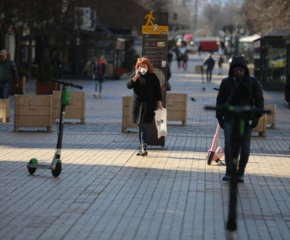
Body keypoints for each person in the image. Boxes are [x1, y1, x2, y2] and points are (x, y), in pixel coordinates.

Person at [216, 55, 264, 183]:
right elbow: (220, 100)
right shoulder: (226, 82)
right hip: (229, 118)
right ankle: (230, 171)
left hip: (246, 119)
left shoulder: (253, 82)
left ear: (245, 70)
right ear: (232, 70)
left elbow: (259, 100)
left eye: (241, 70)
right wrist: (219, 117)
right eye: (236, 70)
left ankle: (240, 172)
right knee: (229, 144)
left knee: (245, 146)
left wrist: (256, 117)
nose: (238, 72)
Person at [126, 57, 163, 156]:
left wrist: (159, 102)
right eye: (140, 66)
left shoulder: (153, 77)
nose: (142, 68)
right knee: (139, 125)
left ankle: (143, 146)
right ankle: (141, 146)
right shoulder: (136, 76)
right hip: (137, 105)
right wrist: (136, 77)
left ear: (148, 67)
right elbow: (128, 85)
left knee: (145, 125)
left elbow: (157, 91)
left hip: (149, 105)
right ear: (137, 67)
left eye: (144, 66)